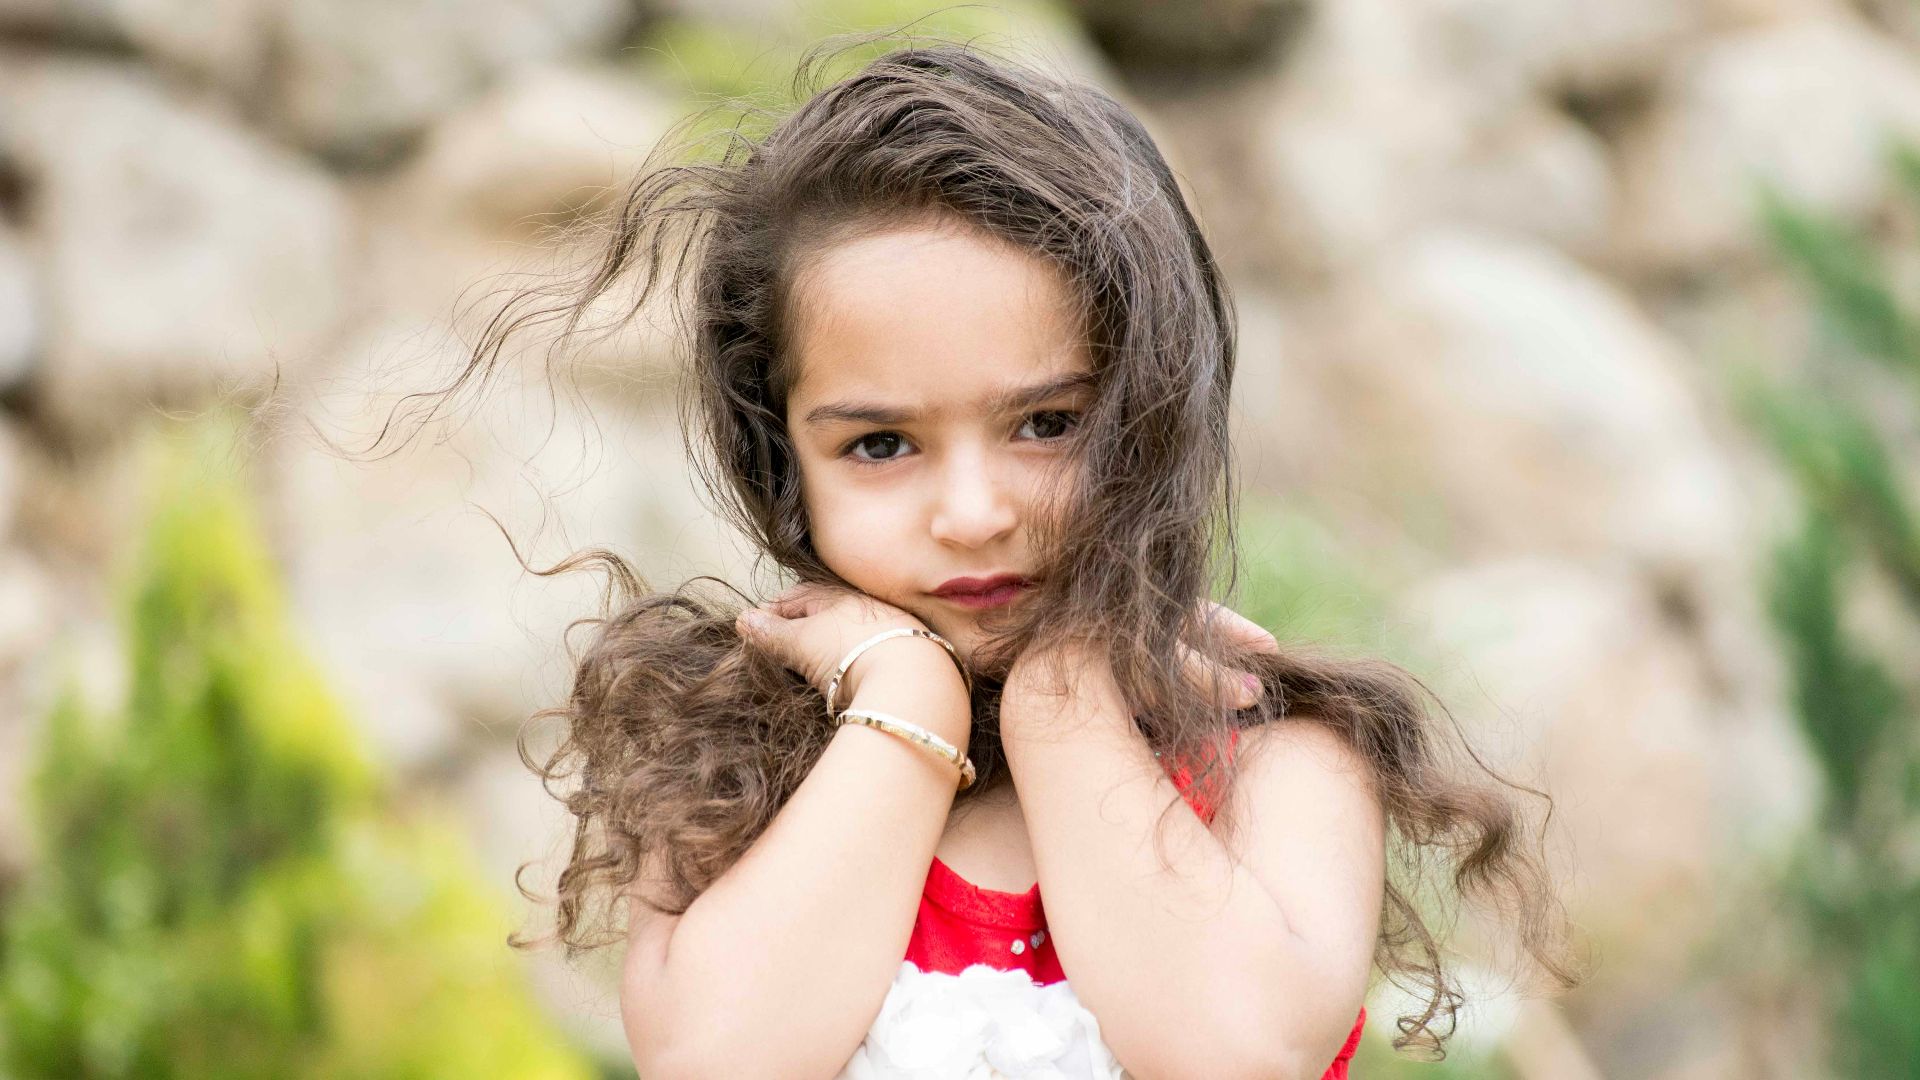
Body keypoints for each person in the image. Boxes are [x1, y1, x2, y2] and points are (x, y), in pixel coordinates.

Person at [387, 31, 1585, 1079]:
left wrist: (1068, 697)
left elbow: (1230, 1049)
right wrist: (904, 712)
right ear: (779, 455)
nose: (972, 511)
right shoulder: (734, 775)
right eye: (880, 443)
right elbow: (717, 1058)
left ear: (1155, 407)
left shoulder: (1277, 767)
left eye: (1047, 424)